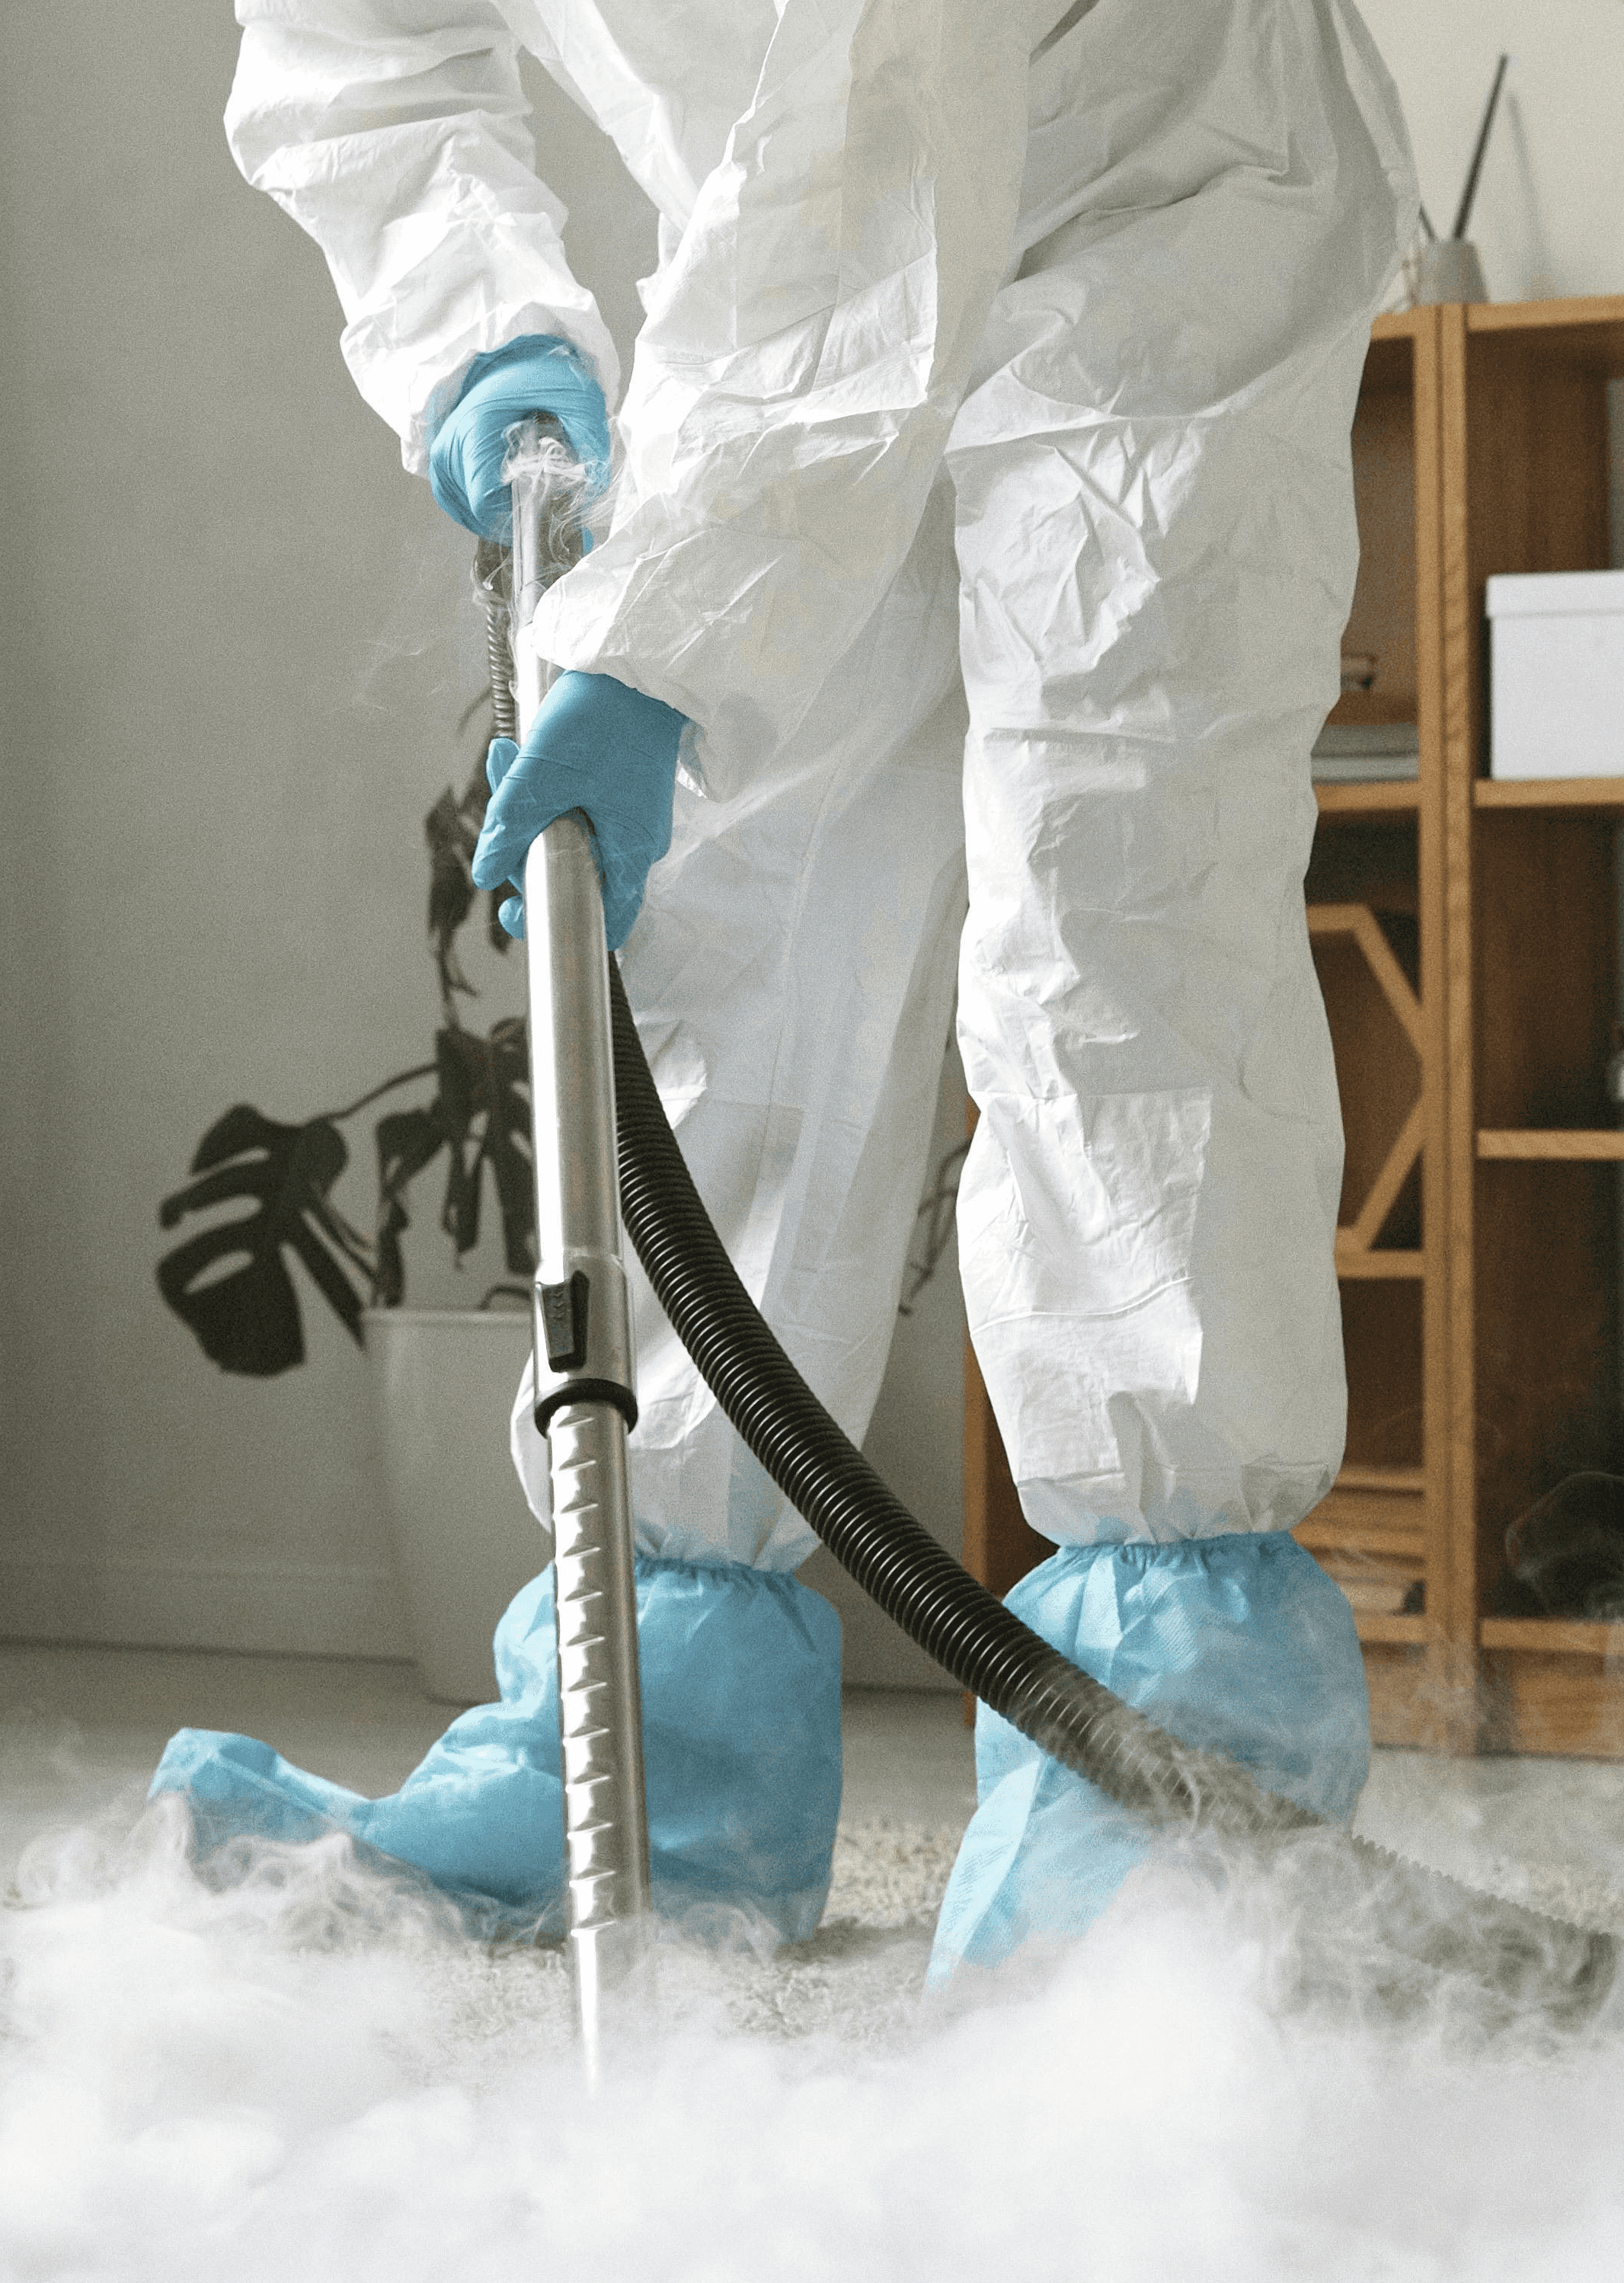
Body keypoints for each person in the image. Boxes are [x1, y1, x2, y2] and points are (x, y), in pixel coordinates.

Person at [156, 0, 1413, 1977]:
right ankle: (661, 1731)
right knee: (740, 926)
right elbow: (358, 45)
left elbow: (884, 112)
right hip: (788, 245)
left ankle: (1181, 1764)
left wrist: (659, 645)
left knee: (1114, 925)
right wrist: (475, 316)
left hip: (1150, 193)